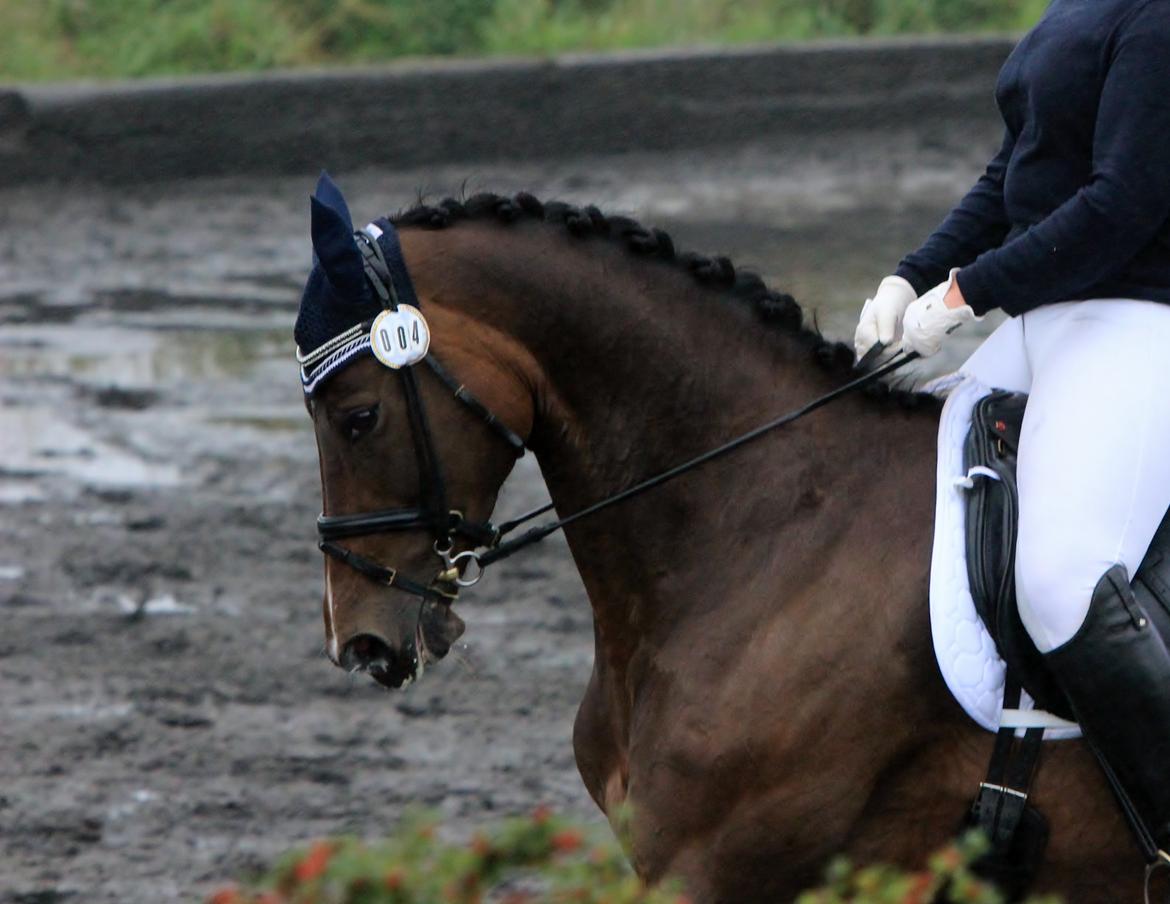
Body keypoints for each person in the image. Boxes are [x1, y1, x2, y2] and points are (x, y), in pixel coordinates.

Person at [853, 0, 1170, 855]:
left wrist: (966, 293)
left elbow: (1125, 201)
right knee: (886, 488)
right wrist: (911, 273)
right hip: (1044, 320)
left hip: (1139, 315)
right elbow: (1014, 177)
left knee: (1061, 580)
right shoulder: (1073, 12)